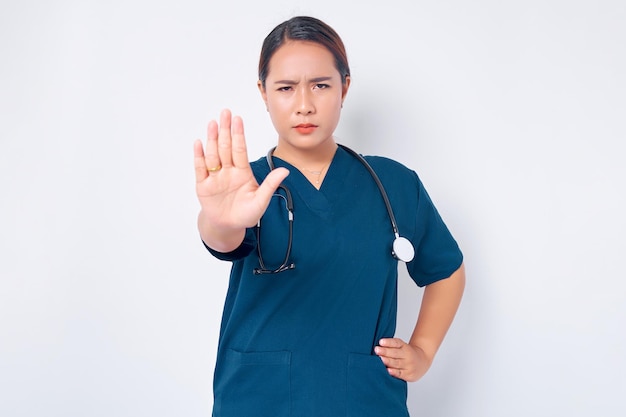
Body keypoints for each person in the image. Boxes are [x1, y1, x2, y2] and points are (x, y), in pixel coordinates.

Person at [193, 16, 465, 417]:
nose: (304, 104)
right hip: (257, 401)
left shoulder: (393, 184)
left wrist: (423, 350)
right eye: (285, 88)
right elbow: (223, 239)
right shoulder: (245, 184)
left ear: (344, 87)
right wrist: (221, 218)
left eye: (320, 85)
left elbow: (445, 269)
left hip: (364, 400)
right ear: (263, 93)